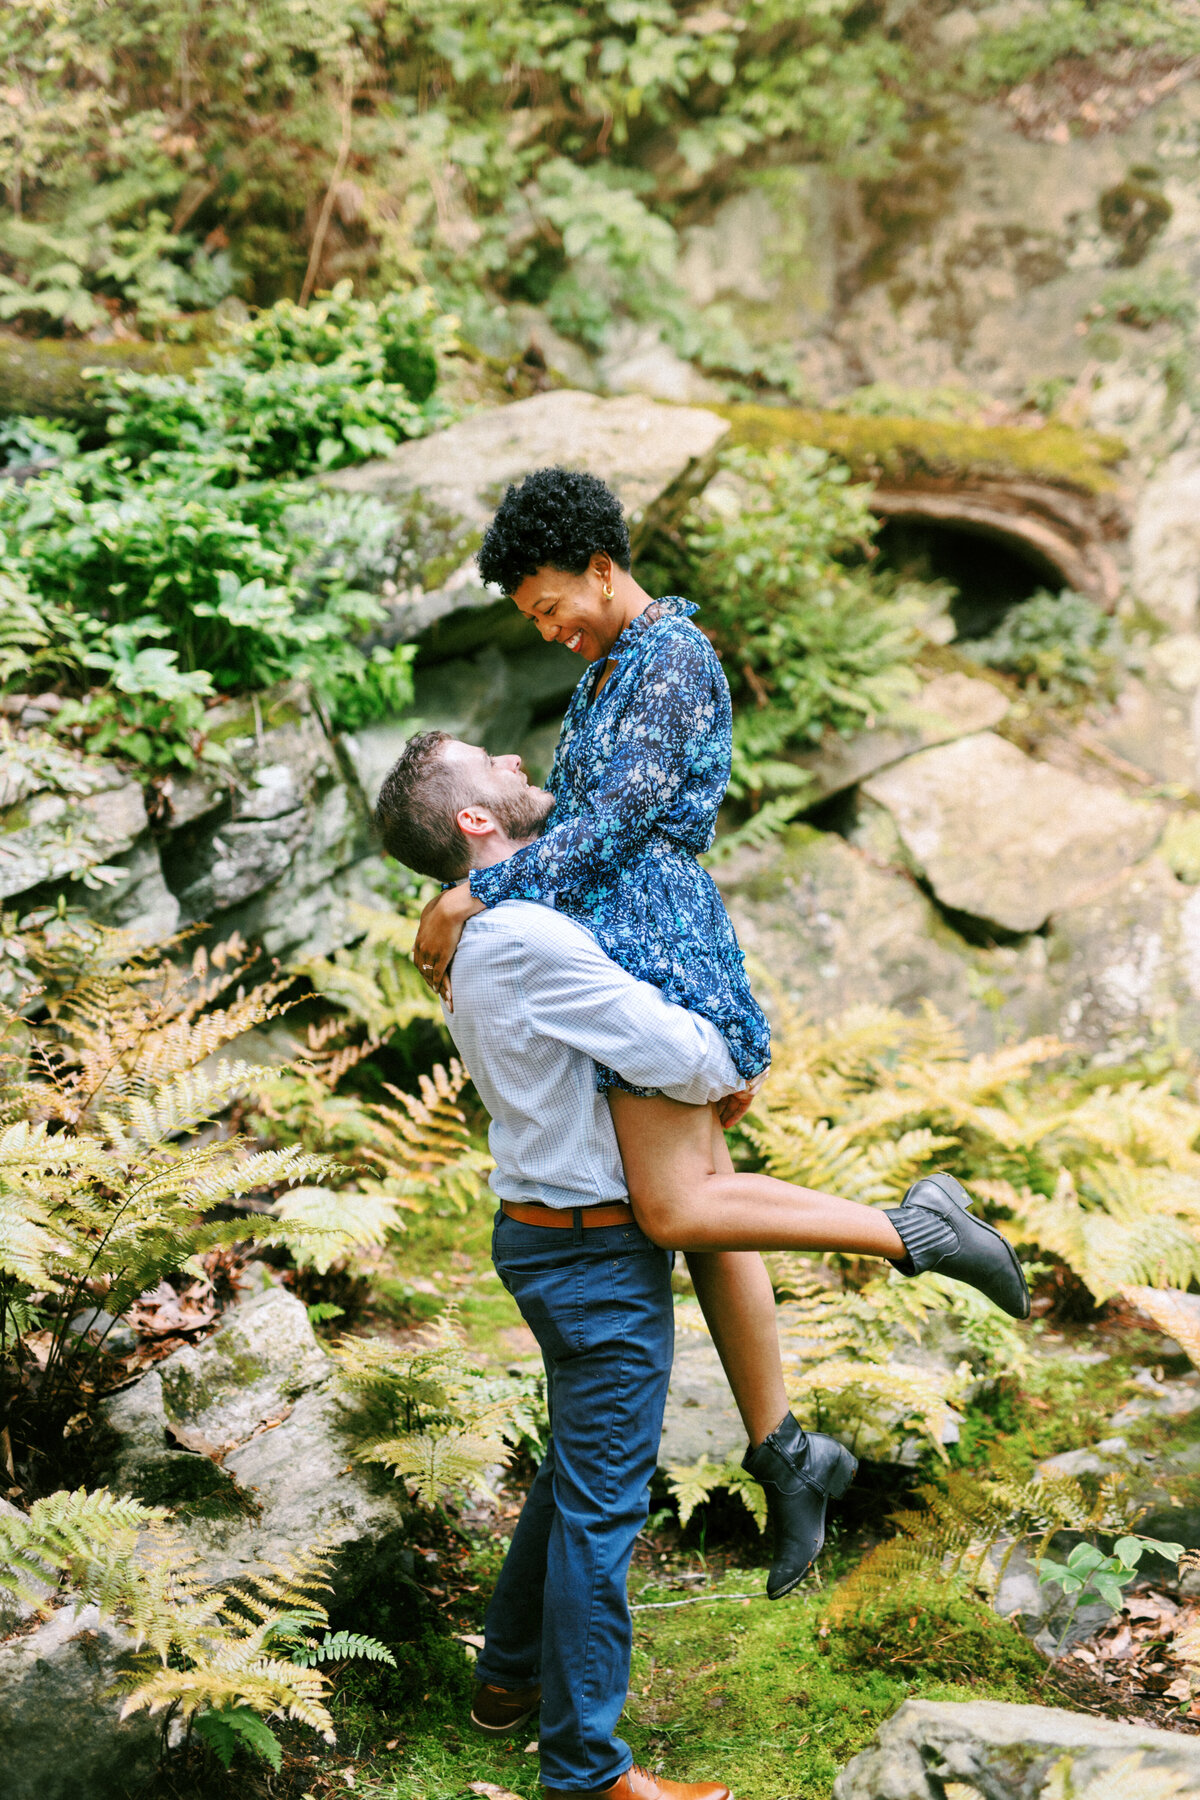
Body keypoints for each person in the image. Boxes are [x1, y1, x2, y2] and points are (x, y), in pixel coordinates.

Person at [408, 469, 1030, 1597]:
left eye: (551, 600)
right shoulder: (609, 667)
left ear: (604, 566)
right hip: (619, 947)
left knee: (673, 1207)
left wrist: (469, 898)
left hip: (653, 951)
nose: (545, 626)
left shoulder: (670, 660)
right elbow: (583, 829)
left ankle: (915, 1231)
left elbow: (618, 827)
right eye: (528, 616)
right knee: (708, 1219)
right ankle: (787, 1456)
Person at [372, 747, 1026, 1800]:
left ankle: (506, 1682)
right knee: (601, 1512)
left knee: (573, 1478)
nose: (509, 757)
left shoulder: (497, 929)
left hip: (552, 1234)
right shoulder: (531, 939)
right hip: (589, 1252)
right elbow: (684, 1055)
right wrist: (724, 1063)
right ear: (476, 828)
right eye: (482, 763)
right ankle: (587, 1770)